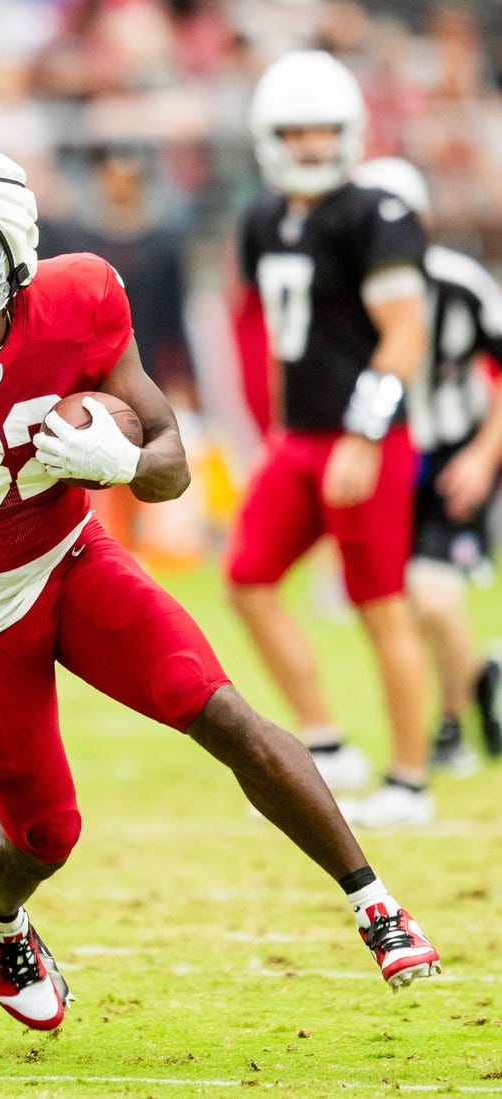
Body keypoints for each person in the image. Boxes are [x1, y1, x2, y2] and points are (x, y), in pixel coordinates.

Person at [0, 136, 439, 1032]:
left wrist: (123, 459)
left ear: (7, 243)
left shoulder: (79, 299)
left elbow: (171, 468)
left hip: (71, 559)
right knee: (44, 836)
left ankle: (374, 902)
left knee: (218, 708)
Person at [224, 50, 434, 829]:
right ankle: (327, 742)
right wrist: (275, 431)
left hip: (362, 438)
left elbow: (403, 335)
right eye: (295, 130)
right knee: (246, 576)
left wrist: (364, 432)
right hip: (300, 437)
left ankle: (409, 781)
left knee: (380, 605)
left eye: (324, 129)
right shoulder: (259, 217)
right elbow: (274, 339)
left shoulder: (374, 211)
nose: (311, 144)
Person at [351, 156, 502, 773]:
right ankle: (478, 680)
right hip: (385, 453)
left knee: (432, 597)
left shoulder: (461, 284)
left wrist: (482, 456)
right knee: (397, 604)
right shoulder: (344, 290)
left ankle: (447, 727)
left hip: (452, 453)